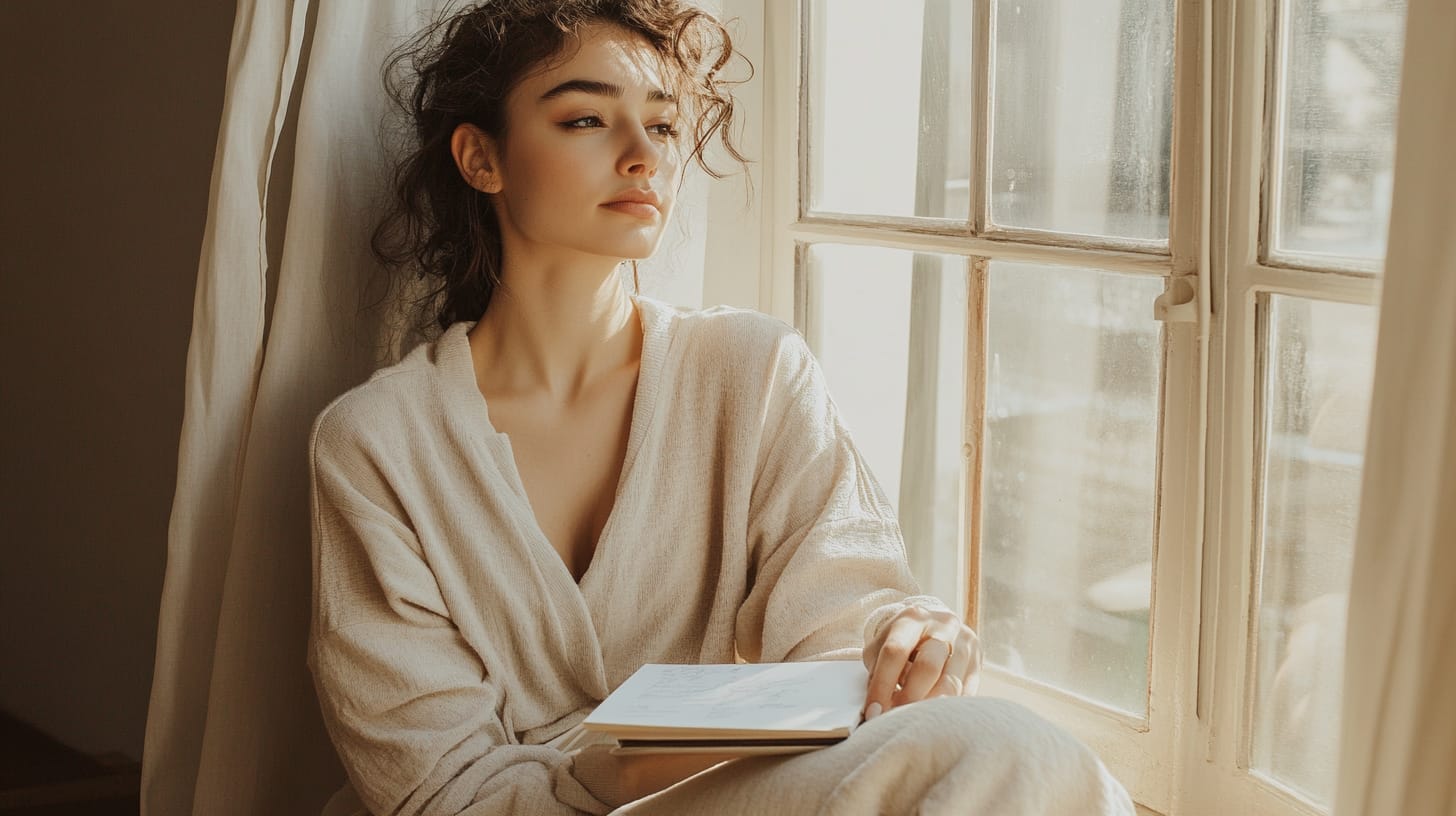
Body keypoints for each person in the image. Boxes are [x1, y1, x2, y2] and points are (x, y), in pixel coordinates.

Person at [307, 1, 1136, 813]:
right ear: (481, 158)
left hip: (705, 791)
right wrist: (615, 771)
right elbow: (438, 788)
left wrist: (905, 638)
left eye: (664, 125)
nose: (643, 157)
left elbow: (841, 626)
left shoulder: (751, 370)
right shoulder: (377, 444)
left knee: (1015, 752)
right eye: (586, 120)